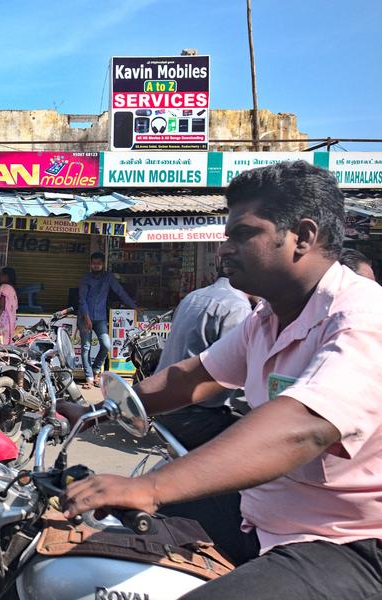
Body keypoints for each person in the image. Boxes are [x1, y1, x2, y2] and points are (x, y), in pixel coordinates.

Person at [62, 161, 382, 599]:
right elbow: (192, 376)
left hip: (346, 540)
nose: (224, 248)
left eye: (243, 234)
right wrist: (95, 412)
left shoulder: (363, 319)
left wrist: (151, 487)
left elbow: (303, 427)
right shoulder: (268, 318)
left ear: (302, 237)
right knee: (98, 546)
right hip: (261, 509)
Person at [153, 266, 252, 450]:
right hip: (195, 415)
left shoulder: (193, 296)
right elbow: (237, 380)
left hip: (165, 409)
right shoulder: (238, 308)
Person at [78, 252, 137, 388]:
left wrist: (134, 306)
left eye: (99, 263)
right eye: (94, 263)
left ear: (102, 264)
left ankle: (95, 370)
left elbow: (120, 291)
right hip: (84, 317)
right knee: (86, 347)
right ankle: (89, 378)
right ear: (90, 264)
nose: (96, 266)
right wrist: (87, 317)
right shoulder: (85, 278)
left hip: (100, 318)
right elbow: (82, 300)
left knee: (106, 345)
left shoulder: (108, 277)